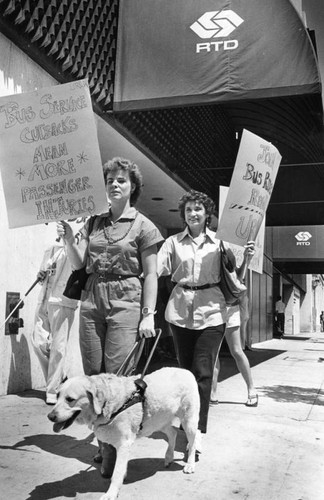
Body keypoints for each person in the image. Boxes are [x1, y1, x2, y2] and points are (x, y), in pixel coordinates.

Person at [57, 157, 164, 376]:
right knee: (93, 371)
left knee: (118, 372)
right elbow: (79, 264)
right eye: (109, 180)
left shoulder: (144, 226)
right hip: (92, 298)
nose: (114, 184)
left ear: (132, 186)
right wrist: (68, 239)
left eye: (121, 180)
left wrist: (148, 314)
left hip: (127, 298)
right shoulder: (94, 222)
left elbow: (152, 274)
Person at [157, 190, 229, 453]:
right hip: (179, 311)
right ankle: (187, 423)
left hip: (212, 312)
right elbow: (156, 270)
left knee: (203, 373)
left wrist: (246, 255)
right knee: (185, 374)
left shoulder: (220, 243)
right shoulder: (173, 242)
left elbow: (235, 275)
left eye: (198, 208)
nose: (193, 213)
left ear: (207, 213)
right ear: (183, 215)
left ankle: (197, 432)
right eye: (188, 210)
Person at [31, 242, 79, 405]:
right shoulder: (50, 249)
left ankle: (53, 390)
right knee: (38, 343)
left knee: (58, 347)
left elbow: (77, 267)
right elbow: (44, 272)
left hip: (62, 301)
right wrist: (41, 276)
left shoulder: (76, 246)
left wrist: (70, 241)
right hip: (44, 298)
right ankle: (60, 378)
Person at [210, 289, 259, 407]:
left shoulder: (235, 271)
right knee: (213, 352)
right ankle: (213, 393)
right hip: (212, 308)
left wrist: (244, 312)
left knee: (237, 351)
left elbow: (240, 288)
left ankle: (251, 389)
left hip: (231, 308)